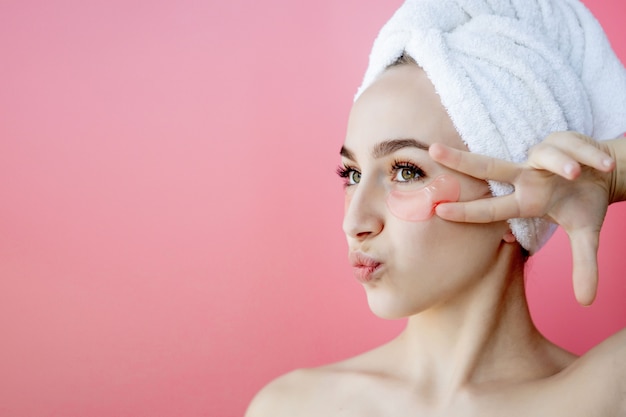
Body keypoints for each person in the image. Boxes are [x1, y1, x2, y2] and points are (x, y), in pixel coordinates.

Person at [245, 0, 626, 415]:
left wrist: (609, 174)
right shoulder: (293, 407)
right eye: (352, 175)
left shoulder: (602, 397)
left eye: (406, 172)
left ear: (510, 200)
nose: (354, 222)